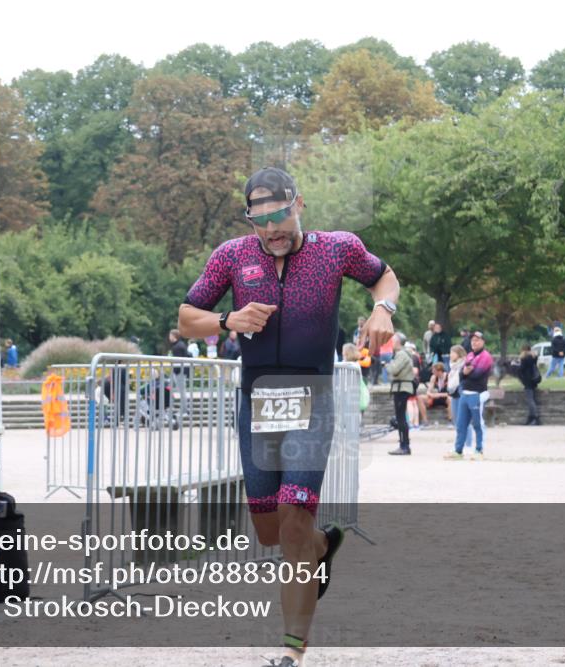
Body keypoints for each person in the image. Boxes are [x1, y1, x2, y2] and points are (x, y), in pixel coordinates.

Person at [177, 166, 398, 666]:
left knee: (295, 517)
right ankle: (321, 546)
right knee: (272, 531)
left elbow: (383, 276)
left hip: (312, 395)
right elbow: (187, 318)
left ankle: (291, 652)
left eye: (279, 217)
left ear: (298, 205)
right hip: (257, 400)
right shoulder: (231, 256)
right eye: (261, 221)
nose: (272, 230)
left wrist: (383, 308)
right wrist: (226, 320)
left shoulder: (336, 248)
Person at [449, 331, 493, 459]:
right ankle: (458, 450)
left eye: (477, 340)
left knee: (477, 424)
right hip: (465, 393)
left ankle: (479, 450)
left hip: (476, 394)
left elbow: (476, 374)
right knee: (461, 424)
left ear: (483, 341)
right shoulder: (469, 355)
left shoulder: (485, 356)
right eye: (473, 340)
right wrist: (466, 372)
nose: (474, 342)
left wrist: (466, 372)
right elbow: (461, 375)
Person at [387, 334, 415, 455]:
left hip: (402, 388)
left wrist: (386, 365)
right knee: (400, 417)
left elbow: (394, 370)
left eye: (393, 341)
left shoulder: (401, 354)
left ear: (398, 342)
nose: (391, 343)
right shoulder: (402, 354)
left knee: (401, 418)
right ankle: (404, 445)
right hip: (401, 387)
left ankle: (404, 446)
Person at [517, 344, 541, 426]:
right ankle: (530, 418)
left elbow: (521, 369)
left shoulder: (525, 358)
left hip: (527, 380)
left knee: (530, 400)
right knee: (532, 399)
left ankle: (535, 417)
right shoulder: (533, 357)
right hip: (534, 380)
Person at [445, 345, 466, 424]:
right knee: (456, 419)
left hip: (461, 391)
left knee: (463, 420)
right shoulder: (452, 366)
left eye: (453, 353)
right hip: (454, 393)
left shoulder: (464, 364)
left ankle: (467, 436)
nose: (451, 355)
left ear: (459, 354)